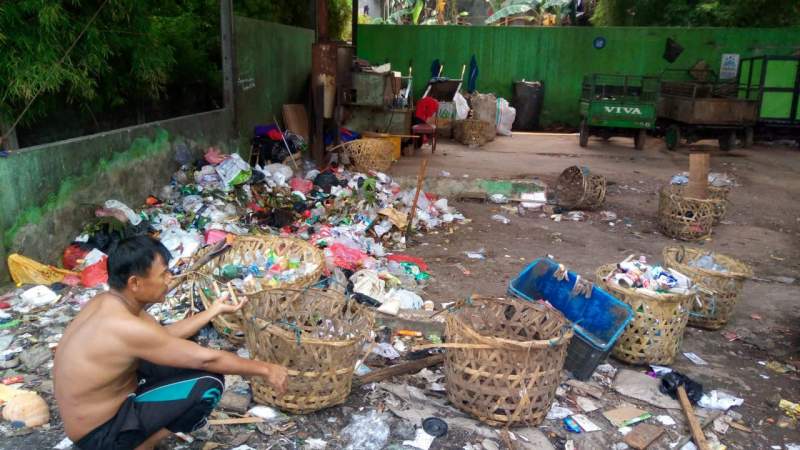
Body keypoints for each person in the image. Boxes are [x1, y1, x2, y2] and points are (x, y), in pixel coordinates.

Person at [53, 235, 288, 450]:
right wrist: (266, 369)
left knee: (175, 358)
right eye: (163, 274)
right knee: (208, 383)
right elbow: (207, 359)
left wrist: (213, 311)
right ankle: (141, 446)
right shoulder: (124, 326)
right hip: (100, 437)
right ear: (135, 283)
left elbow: (162, 338)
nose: (170, 279)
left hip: (91, 422)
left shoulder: (106, 302)